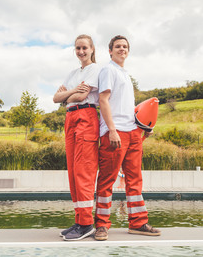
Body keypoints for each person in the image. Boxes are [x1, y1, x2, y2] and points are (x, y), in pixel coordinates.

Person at [94, 35, 161, 241]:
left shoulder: (125, 74)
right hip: (115, 133)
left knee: (135, 180)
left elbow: (126, 108)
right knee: (107, 179)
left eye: (125, 46)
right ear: (110, 51)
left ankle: (138, 223)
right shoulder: (108, 70)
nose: (122, 49)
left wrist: (143, 127)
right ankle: (102, 226)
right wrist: (112, 130)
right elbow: (103, 100)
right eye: (117, 46)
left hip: (133, 132)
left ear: (128, 51)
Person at [53, 34, 100, 241]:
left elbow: (81, 97)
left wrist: (67, 97)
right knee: (72, 170)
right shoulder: (73, 73)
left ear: (92, 49)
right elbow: (56, 98)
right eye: (78, 48)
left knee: (84, 169)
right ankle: (79, 219)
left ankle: (87, 224)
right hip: (70, 118)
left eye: (84, 48)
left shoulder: (96, 69)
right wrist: (71, 92)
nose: (81, 52)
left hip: (86, 115)